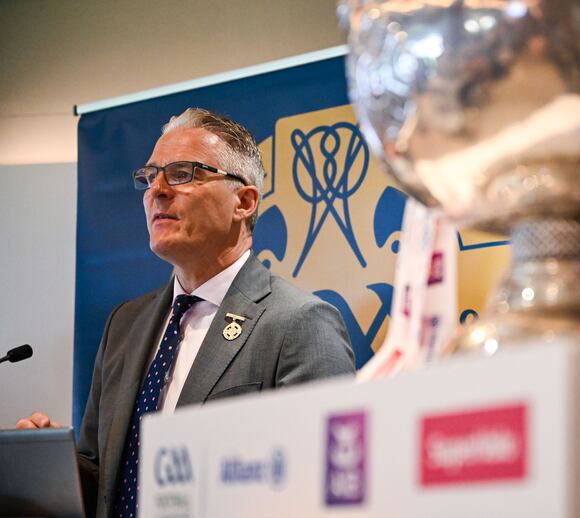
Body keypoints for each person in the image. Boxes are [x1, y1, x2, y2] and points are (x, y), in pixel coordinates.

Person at [16, 108, 356, 517]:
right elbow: (105, 479)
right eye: (150, 176)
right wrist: (55, 465)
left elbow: (320, 490)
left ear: (244, 201)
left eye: (182, 174)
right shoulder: (124, 325)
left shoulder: (300, 324)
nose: (156, 190)